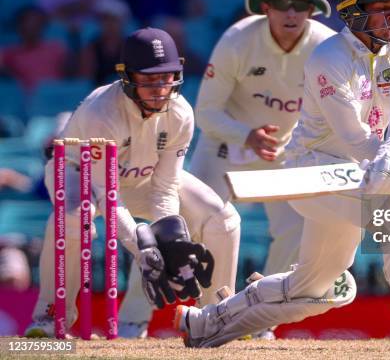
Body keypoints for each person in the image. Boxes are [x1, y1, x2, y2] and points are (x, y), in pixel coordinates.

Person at [174, 0, 390, 350]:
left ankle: (205, 324)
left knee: (315, 287)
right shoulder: (328, 58)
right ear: (353, 13)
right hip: (313, 172)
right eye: (381, 9)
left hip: (363, 173)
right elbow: (351, 136)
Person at [115, 0, 335, 340]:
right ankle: (132, 320)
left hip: (288, 151)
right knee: (179, 231)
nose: (292, 13)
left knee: (298, 227)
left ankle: (259, 320)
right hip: (226, 146)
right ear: (265, 8)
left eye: (302, 4)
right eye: (282, 4)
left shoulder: (327, 47)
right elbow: (207, 112)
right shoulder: (238, 39)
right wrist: (246, 135)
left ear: (313, 10)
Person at [24, 27, 240, 338]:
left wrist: (169, 237)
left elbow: (165, 187)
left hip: (144, 176)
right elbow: (106, 197)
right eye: (149, 79)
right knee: (74, 219)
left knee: (224, 219)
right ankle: (49, 317)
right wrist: (143, 253)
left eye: (165, 78)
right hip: (77, 173)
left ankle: (216, 318)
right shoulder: (103, 111)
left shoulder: (180, 113)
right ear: (127, 77)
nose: (159, 89)